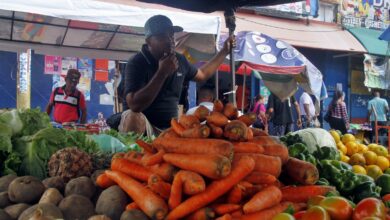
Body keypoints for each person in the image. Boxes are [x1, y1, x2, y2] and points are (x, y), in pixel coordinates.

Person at [119, 15, 234, 134]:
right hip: (144, 127)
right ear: (149, 41)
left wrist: (224, 51)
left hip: (171, 128)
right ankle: (133, 152)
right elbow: (134, 105)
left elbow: (203, 74)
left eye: (171, 35)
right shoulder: (137, 62)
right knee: (133, 116)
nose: (170, 40)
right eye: (163, 36)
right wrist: (162, 73)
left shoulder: (180, 60)